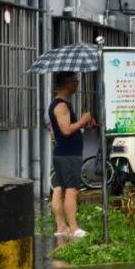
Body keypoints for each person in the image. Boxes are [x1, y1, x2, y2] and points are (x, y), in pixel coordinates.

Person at [49, 72, 93, 239]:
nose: (77, 84)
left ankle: (61, 226)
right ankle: (73, 228)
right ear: (67, 83)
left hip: (63, 153)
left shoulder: (62, 104)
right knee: (71, 190)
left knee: (59, 188)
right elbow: (66, 130)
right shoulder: (61, 105)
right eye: (75, 81)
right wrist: (83, 120)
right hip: (68, 154)